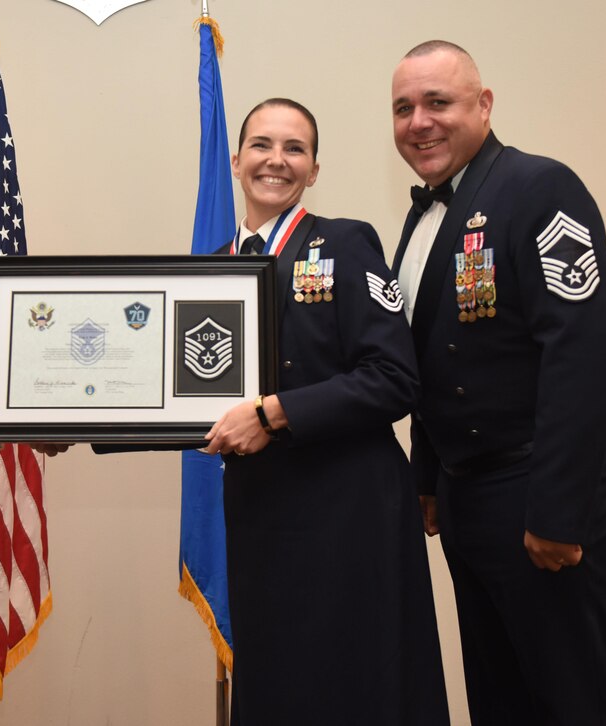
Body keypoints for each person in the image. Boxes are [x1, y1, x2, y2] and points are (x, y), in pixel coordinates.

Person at [389, 40, 606, 725]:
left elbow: (581, 355)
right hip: (472, 498)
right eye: (404, 108)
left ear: (484, 105)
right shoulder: (424, 215)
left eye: (438, 102)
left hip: (540, 493)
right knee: (501, 702)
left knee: (570, 701)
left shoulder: (539, 187)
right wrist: (431, 476)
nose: (419, 122)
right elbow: (437, 356)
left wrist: (557, 511)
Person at [202, 98, 449, 725]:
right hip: (263, 510)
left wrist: (275, 413)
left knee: (354, 682)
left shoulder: (344, 242)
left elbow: (395, 379)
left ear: (313, 170)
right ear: (236, 161)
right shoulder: (213, 270)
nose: (275, 161)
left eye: (294, 149)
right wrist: (69, 421)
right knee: (278, 678)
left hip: (349, 509)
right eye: (261, 145)